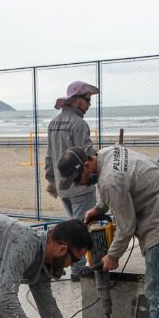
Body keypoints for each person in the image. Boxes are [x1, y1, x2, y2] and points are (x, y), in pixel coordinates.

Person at [56, 144, 159, 318]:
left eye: (78, 178)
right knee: (154, 288)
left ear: (87, 164)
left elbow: (126, 227)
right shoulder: (108, 154)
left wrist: (112, 256)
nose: (78, 184)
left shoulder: (109, 180)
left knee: (158, 293)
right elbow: (118, 188)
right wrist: (99, 208)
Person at [43, 80, 100, 280]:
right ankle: (79, 271)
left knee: (72, 226)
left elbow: (49, 155)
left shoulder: (53, 124)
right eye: (87, 100)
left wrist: (51, 179)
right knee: (82, 229)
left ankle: (67, 264)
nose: (89, 104)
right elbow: (86, 154)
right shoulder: (79, 124)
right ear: (76, 101)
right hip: (80, 186)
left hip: (63, 186)